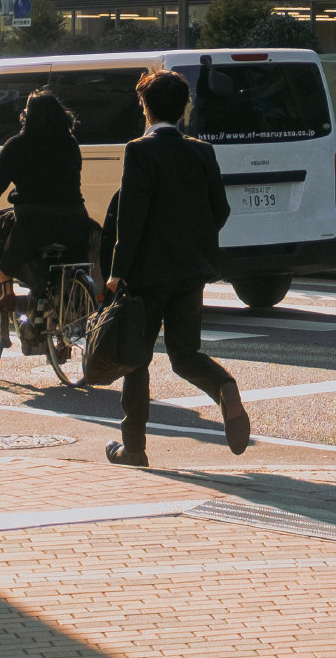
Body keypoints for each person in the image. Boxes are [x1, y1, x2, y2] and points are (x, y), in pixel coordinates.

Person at [103, 69, 248, 466]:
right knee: (184, 354)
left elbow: (129, 219)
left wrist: (117, 272)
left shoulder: (139, 150)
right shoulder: (202, 151)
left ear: (145, 108)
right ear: (184, 109)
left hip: (147, 274)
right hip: (191, 270)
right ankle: (224, 385)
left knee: (136, 357)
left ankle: (133, 447)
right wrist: (193, 244)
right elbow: (221, 210)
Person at [0, 89, 95, 351]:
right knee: (63, 269)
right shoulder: (70, 143)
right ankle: (57, 319)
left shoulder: (18, 144)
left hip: (34, 224)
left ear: (28, 116)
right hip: (75, 222)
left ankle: (7, 294)